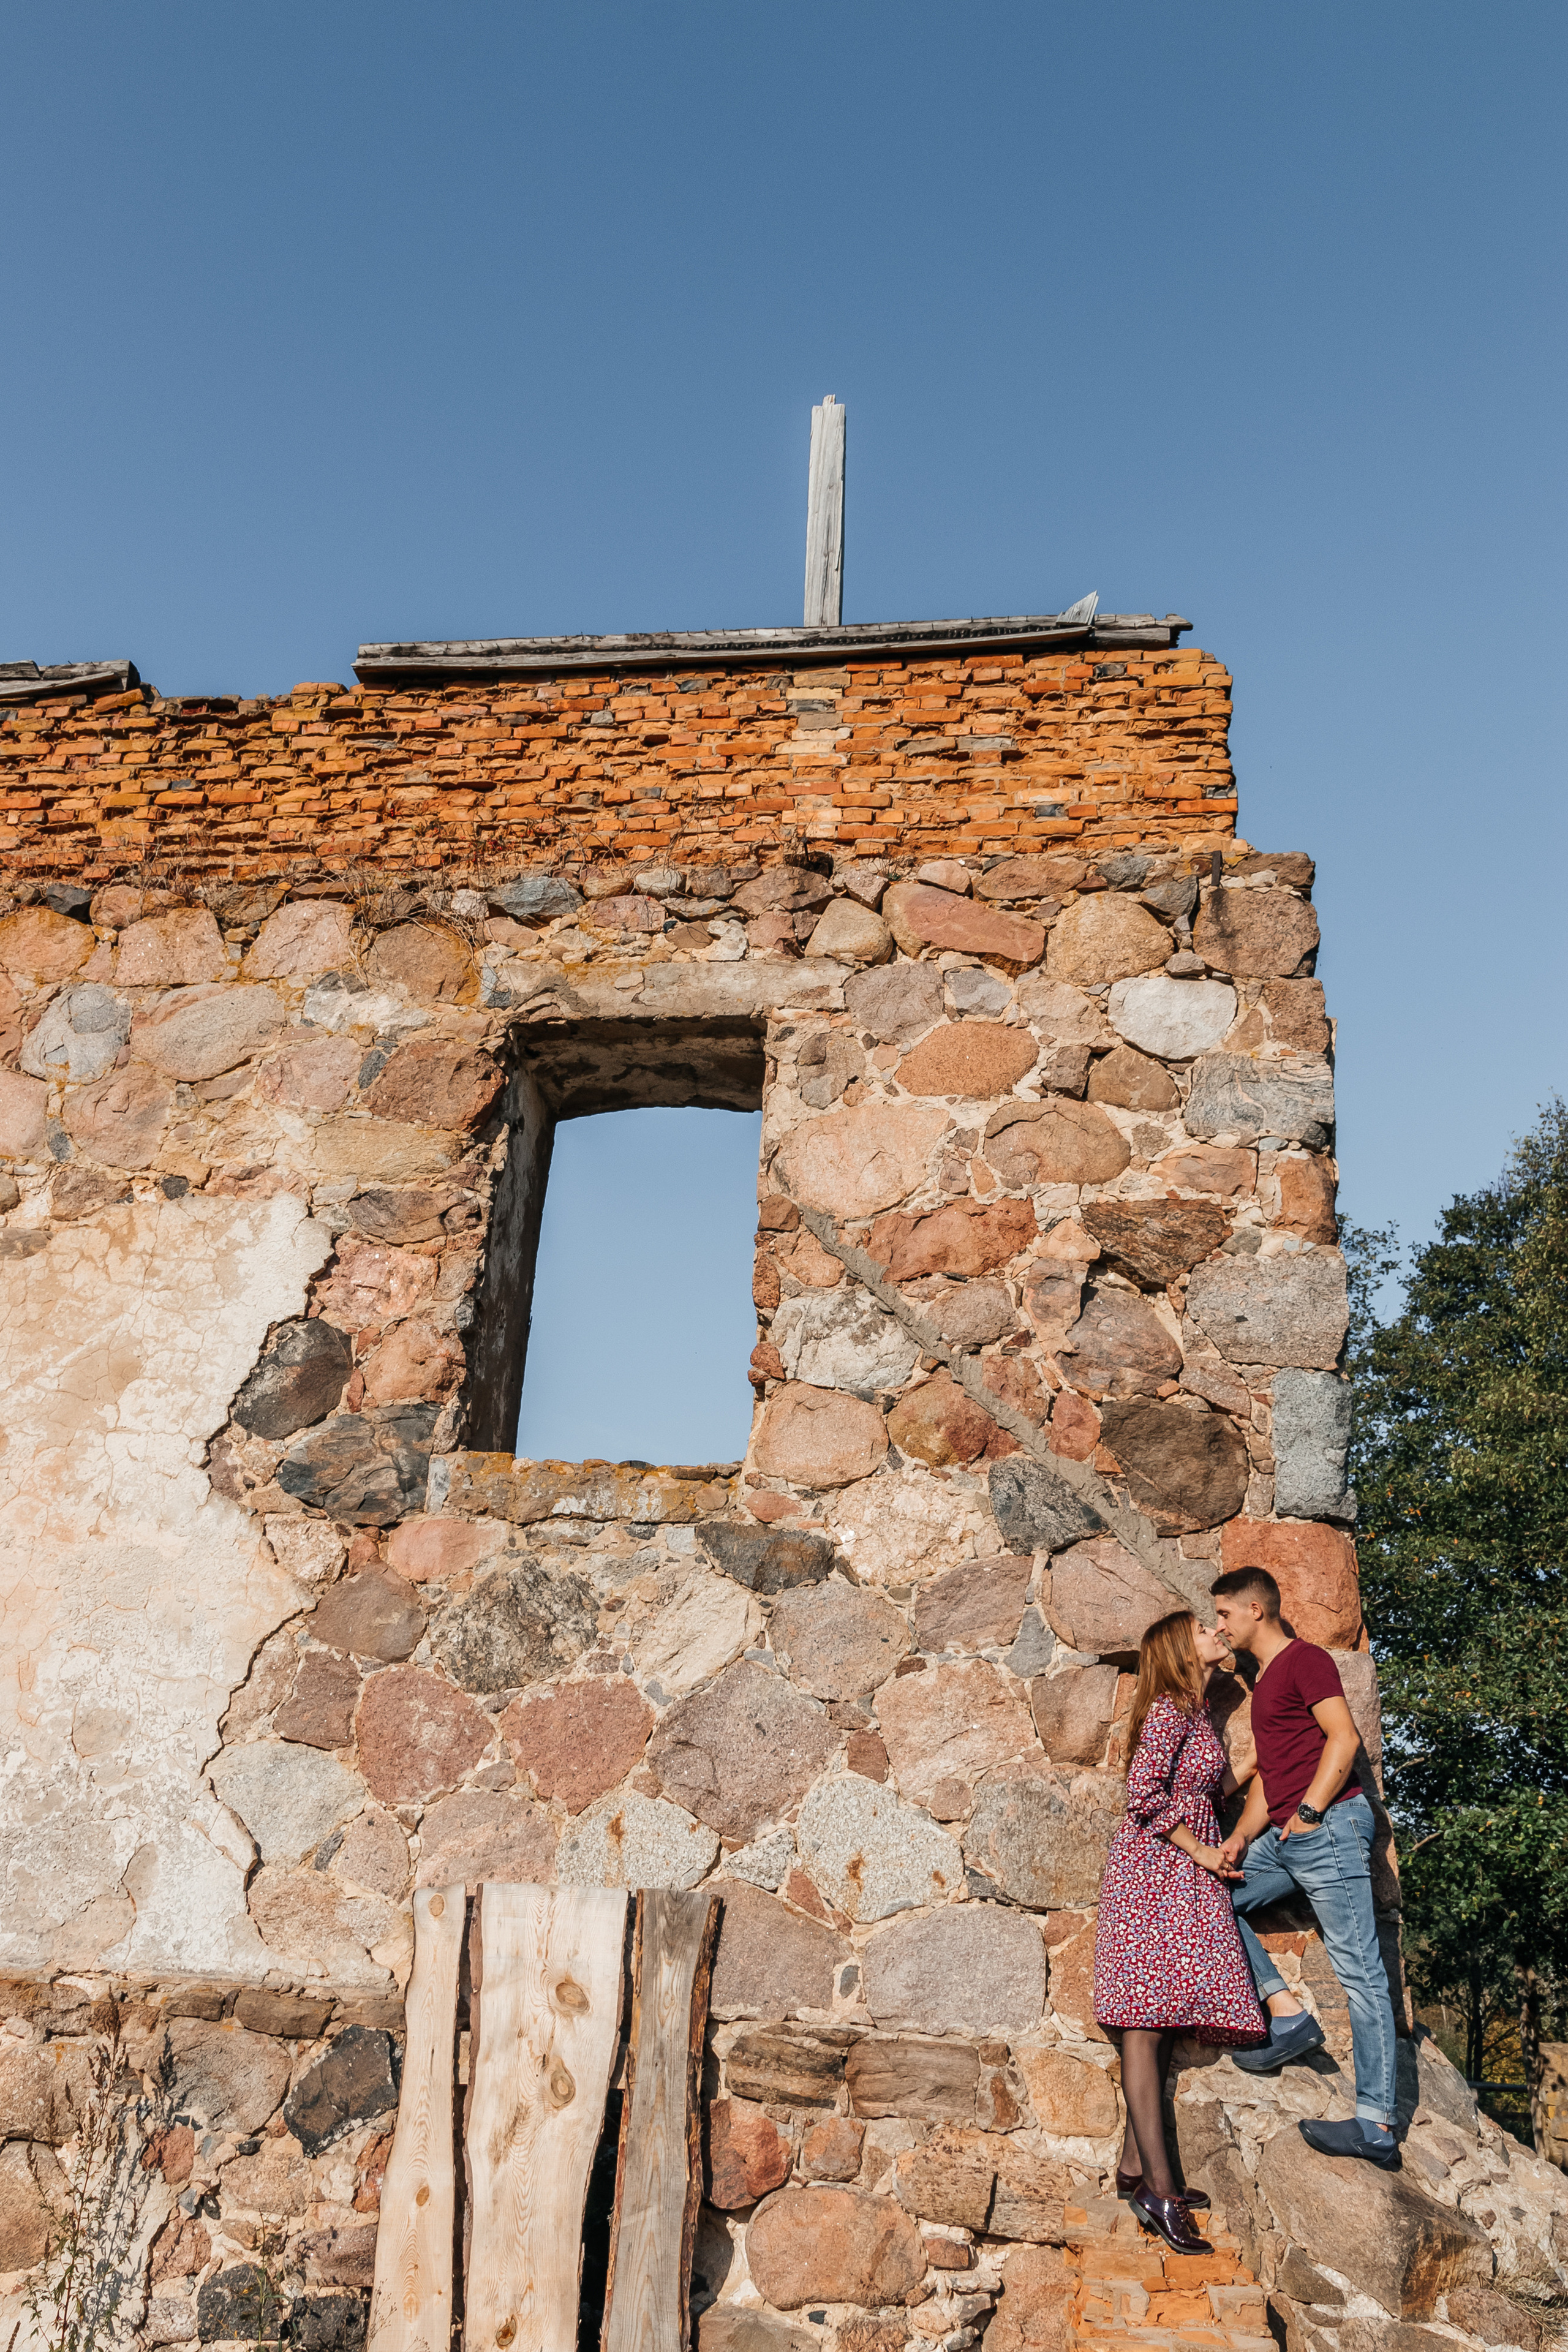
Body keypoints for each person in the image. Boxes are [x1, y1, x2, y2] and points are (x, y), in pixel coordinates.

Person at [1211, 1564, 1401, 2169]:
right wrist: (1241, 1837)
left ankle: (1376, 2125)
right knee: (1210, 1900)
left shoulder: (1306, 1661)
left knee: (1362, 1974)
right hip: (1287, 1838)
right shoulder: (1267, 1681)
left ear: (1254, 1610)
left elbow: (1342, 1739)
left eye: (1223, 1614)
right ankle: (1286, 2015)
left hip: (1330, 1827)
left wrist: (1314, 1811)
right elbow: (1273, 1774)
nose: (1220, 1624)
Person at [1094, 1608, 1267, 2253]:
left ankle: (1135, 2167)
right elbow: (1141, 1795)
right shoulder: (1168, 1709)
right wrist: (1200, 1852)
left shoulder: (1195, 1713)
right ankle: (1159, 2189)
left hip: (1180, 1868)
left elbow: (1203, 1789)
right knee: (1144, 2019)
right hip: (1155, 1870)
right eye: (1203, 1629)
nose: (1216, 1634)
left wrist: (1253, 1767)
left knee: (1163, 2014)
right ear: (1177, 1648)